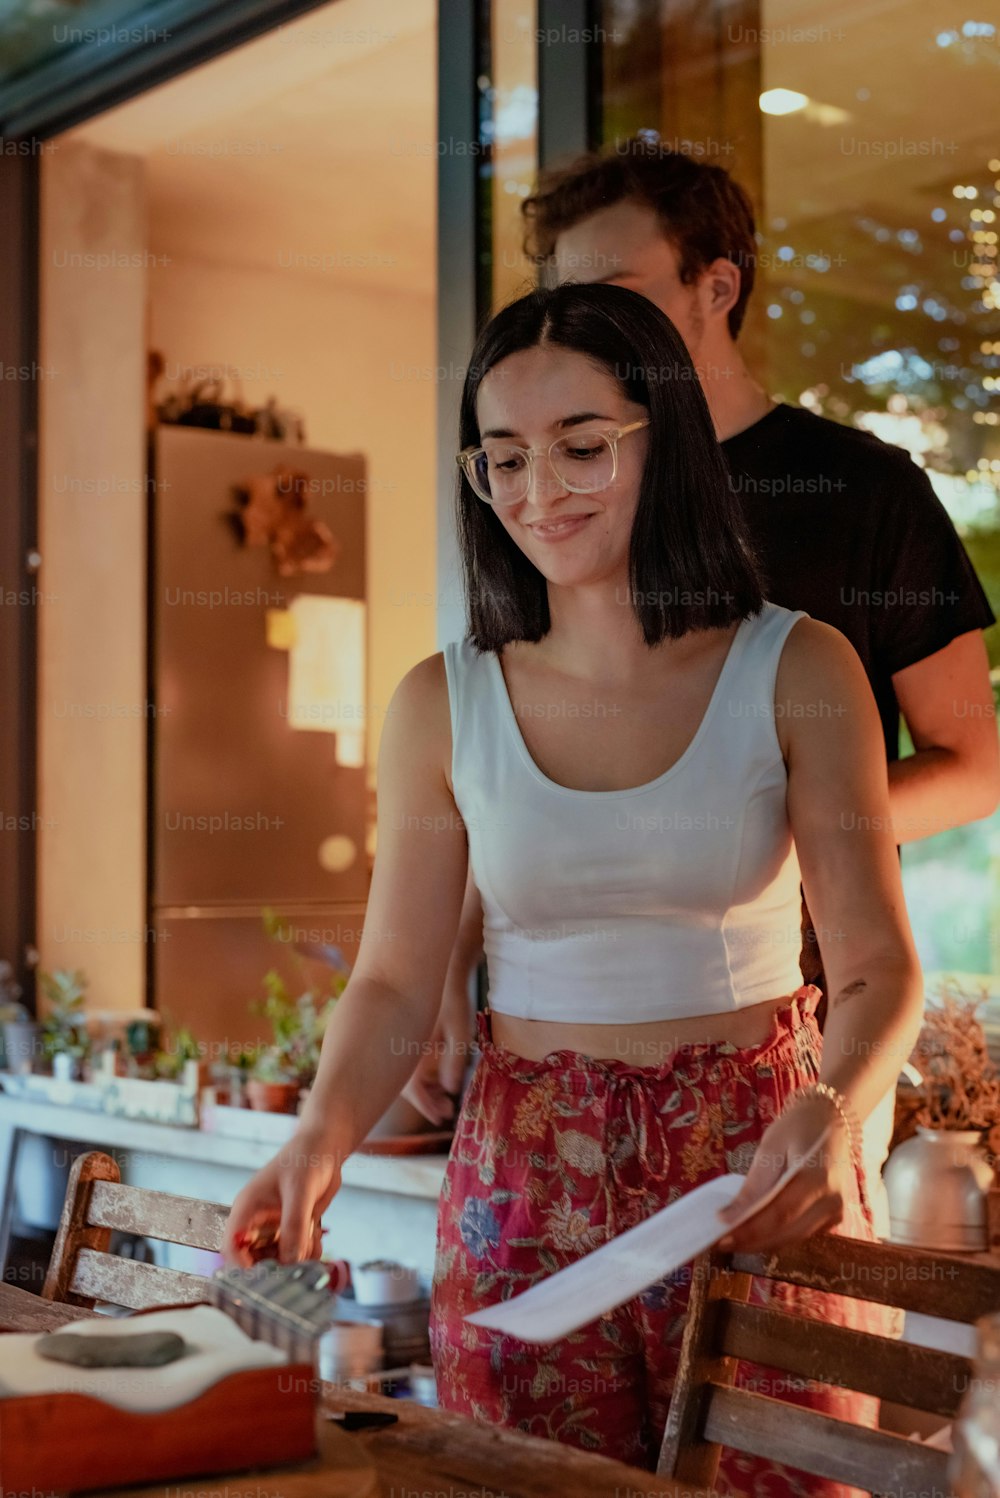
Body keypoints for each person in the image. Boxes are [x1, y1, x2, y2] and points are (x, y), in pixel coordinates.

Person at [226, 283, 924, 1490]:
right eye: (503, 458)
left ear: (668, 438)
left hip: (752, 1162)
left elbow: (875, 967)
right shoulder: (441, 703)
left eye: (581, 445)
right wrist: (320, 1135)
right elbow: (393, 981)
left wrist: (836, 1108)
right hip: (520, 1175)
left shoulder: (799, 666)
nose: (539, 490)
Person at [405, 141, 999, 1235]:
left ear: (715, 286)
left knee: (767, 1363)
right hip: (562, 1056)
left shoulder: (860, 491)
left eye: (614, 290)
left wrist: (775, 818)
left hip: (804, 1025)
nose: (548, 485)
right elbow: (508, 769)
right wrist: (446, 955)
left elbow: (975, 764)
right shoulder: (550, 507)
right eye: (561, 296)